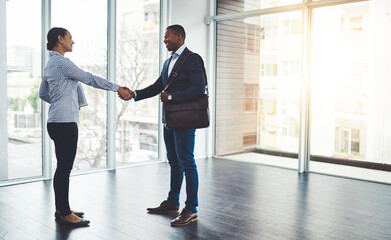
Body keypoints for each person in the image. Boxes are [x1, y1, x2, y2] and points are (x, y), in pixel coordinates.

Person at [39, 27, 131, 227]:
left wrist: (62, 101)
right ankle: (64, 212)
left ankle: (61, 207)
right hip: (65, 124)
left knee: (62, 168)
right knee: (64, 169)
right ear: (60, 39)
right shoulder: (63, 63)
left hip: (54, 122)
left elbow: (43, 94)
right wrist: (118, 87)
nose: (73, 41)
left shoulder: (50, 64)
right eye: (70, 37)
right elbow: (89, 78)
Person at [123, 24, 206, 226]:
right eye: (164, 37)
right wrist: (135, 94)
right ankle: (172, 202)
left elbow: (199, 88)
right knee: (174, 162)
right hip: (169, 120)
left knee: (187, 162)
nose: (164, 40)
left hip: (184, 120)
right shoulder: (169, 62)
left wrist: (172, 96)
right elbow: (158, 86)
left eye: (167, 36)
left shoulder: (193, 59)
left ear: (179, 36)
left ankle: (191, 208)